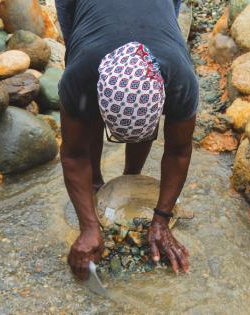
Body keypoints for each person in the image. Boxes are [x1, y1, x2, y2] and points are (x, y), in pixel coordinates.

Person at [55, 0, 199, 280]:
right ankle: (95, 182)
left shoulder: (181, 80)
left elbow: (179, 150)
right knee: (84, 112)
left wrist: (161, 219)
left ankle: (131, 177)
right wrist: (88, 226)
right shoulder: (80, 74)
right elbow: (73, 154)